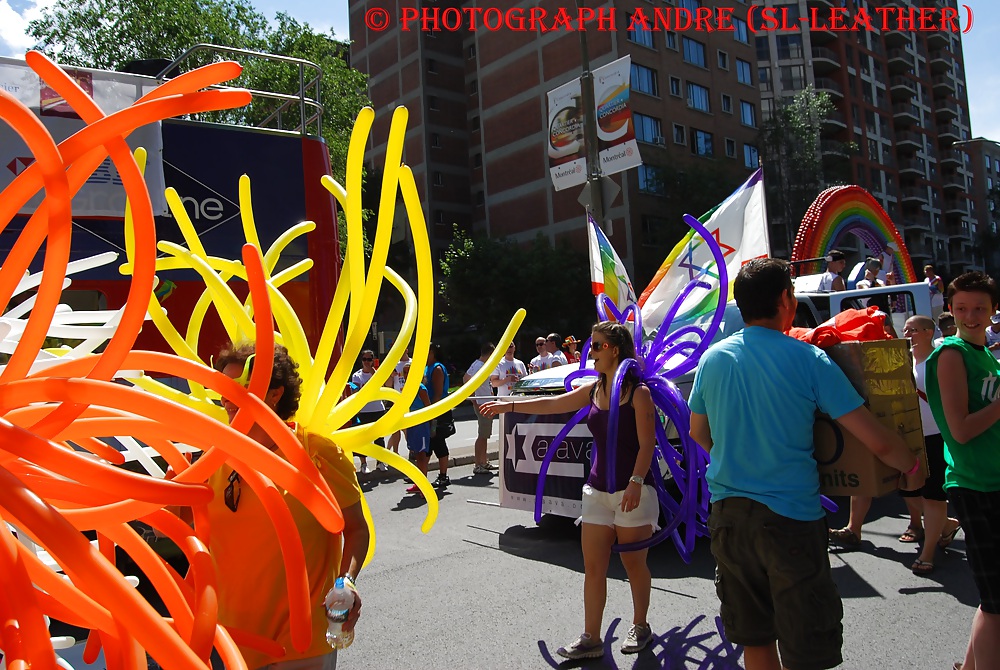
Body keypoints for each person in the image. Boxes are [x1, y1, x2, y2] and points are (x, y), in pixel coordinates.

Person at [688, 258, 924, 670]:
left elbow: (699, 433)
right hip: (790, 519)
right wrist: (912, 466)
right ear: (786, 300)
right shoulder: (808, 359)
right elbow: (875, 438)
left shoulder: (713, 359)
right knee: (807, 647)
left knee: (755, 637)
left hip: (729, 517)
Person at [480, 322, 658, 659]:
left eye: (598, 346)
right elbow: (555, 404)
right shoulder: (594, 389)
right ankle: (591, 637)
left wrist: (635, 482)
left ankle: (641, 625)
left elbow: (647, 444)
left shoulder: (638, 393)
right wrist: (510, 406)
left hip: (632, 492)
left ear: (615, 350)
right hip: (597, 491)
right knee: (594, 568)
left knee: (635, 565)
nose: (591, 353)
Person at [212, 342, 369, 669]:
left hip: (301, 643)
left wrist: (347, 582)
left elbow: (356, 529)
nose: (226, 399)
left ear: (274, 394)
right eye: (221, 390)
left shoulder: (316, 452)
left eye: (237, 389)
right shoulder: (214, 458)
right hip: (233, 641)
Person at [925, 271, 1000, 670]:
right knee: (996, 602)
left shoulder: (986, 354)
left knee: (994, 600)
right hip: (975, 485)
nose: (971, 316)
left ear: (992, 311)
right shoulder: (951, 354)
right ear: (950, 310)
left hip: (993, 482)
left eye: (980, 308)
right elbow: (962, 429)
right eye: (962, 308)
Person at [898, 316, 962, 575]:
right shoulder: (904, 361)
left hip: (938, 436)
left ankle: (928, 553)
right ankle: (946, 525)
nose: (908, 334)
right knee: (910, 491)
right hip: (911, 436)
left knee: (934, 495)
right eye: (905, 330)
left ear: (928, 332)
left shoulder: (939, 361)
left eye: (913, 330)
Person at [351, 350, 388, 473]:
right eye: (364, 359)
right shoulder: (357, 375)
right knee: (363, 438)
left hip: (377, 408)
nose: (367, 362)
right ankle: (363, 463)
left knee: (379, 437)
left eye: (369, 359)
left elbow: (383, 385)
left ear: (373, 360)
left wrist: (373, 372)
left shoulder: (377, 373)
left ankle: (380, 462)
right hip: (364, 410)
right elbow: (355, 392)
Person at [464, 342, 498, 474]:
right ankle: (479, 464)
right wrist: (474, 400)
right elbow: (467, 381)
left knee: (485, 434)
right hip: (482, 404)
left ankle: (483, 461)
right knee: (483, 435)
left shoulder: (477, 364)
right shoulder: (480, 367)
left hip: (485, 402)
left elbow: (465, 377)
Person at [401, 362, 432, 496]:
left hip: (421, 425)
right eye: (405, 373)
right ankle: (418, 483)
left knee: (421, 456)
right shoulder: (406, 388)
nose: (408, 375)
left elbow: (429, 408)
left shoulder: (421, 389)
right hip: (411, 425)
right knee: (415, 455)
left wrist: (432, 427)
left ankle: (423, 486)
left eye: (410, 372)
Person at [425, 342, 451, 488]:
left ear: (432, 352)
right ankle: (422, 474)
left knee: (437, 441)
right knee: (428, 443)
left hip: (436, 412)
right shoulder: (426, 368)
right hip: (428, 411)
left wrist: (431, 413)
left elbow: (438, 393)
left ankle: (443, 476)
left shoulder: (437, 368)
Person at [386, 347, 411, 457]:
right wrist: (391, 375)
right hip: (397, 399)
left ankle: (412, 450)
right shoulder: (394, 364)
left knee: (407, 428)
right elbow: (388, 385)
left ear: (406, 350)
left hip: (411, 399)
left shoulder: (413, 362)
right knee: (397, 428)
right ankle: (394, 452)